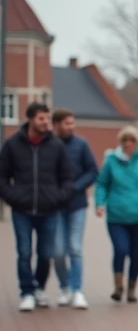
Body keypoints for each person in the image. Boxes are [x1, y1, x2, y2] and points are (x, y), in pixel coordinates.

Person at [0, 102, 73, 311]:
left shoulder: (56, 145)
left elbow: (67, 178)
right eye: (41, 119)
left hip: (49, 210)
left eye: (47, 119)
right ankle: (27, 292)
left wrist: (57, 197)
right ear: (30, 119)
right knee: (23, 253)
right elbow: (2, 176)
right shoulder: (13, 144)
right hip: (21, 210)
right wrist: (12, 197)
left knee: (45, 253)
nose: (45, 123)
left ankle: (39, 288)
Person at [46, 108, 98, 309]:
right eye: (67, 123)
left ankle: (77, 290)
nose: (71, 127)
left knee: (74, 248)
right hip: (56, 206)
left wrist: (74, 188)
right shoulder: (49, 144)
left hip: (77, 205)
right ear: (56, 124)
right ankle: (64, 287)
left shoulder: (81, 145)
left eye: (72, 123)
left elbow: (93, 171)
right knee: (58, 251)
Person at [96, 127, 138, 303]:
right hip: (116, 215)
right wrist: (99, 203)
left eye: (132, 140)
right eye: (125, 140)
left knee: (135, 253)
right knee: (120, 249)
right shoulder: (111, 160)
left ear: (137, 142)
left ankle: (132, 289)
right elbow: (102, 183)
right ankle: (118, 287)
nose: (128, 144)